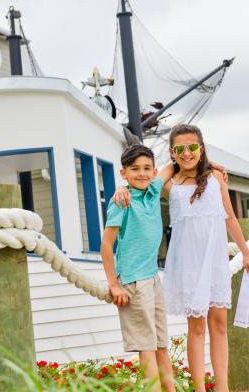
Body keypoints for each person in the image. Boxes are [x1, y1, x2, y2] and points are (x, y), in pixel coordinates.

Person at [162, 124, 249, 392]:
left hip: (213, 263)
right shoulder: (170, 185)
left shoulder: (215, 179)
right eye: (180, 149)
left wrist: (245, 253)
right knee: (197, 327)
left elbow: (231, 218)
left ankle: (222, 387)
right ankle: (200, 388)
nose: (187, 153)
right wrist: (190, 160)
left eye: (193, 147)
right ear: (172, 152)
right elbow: (160, 172)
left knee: (219, 325)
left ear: (201, 148)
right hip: (188, 265)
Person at [100, 144, 176, 391]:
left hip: (153, 279)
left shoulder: (154, 190)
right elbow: (106, 244)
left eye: (146, 169)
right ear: (123, 173)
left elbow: (172, 166)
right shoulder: (122, 201)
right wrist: (114, 284)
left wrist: (212, 165)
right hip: (132, 280)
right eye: (134, 169)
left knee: (161, 345)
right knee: (147, 348)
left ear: (153, 172)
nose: (141, 173)